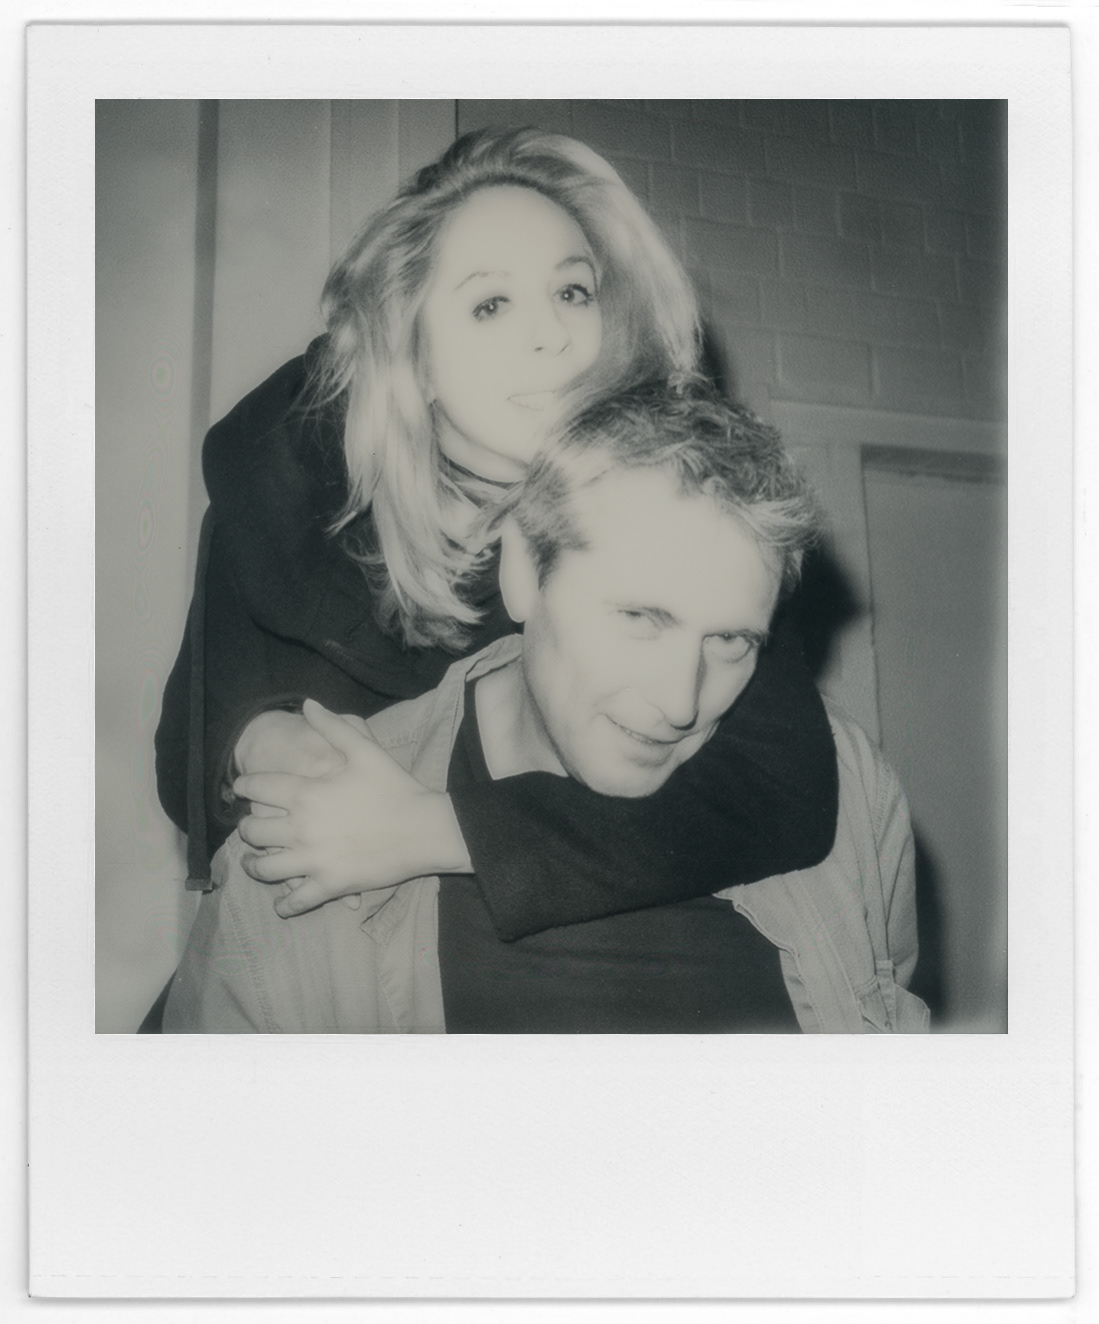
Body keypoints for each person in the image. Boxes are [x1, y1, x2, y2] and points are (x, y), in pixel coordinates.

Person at [150, 128, 839, 1031]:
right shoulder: (285, 484)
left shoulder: (676, 502)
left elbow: (786, 788)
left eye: (572, 290)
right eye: (490, 305)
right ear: (414, 355)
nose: (552, 334)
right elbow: (189, 750)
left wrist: (434, 828)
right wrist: (256, 742)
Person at [163, 381, 928, 1035]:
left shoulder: (852, 790)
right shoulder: (302, 843)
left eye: (730, 641)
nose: (679, 702)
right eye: (640, 617)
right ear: (523, 572)